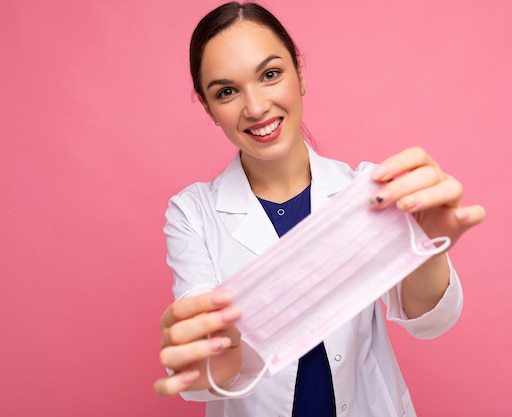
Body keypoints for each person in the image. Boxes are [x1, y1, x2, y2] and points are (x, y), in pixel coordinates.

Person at [154, 2, 485, 416]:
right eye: (227, 91)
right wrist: (200, 350)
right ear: (208, 109)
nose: (255, 108)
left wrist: (426, 248)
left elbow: (429, 321)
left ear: (300, 74)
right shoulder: (193, 214)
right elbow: (210, 361)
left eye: (270, 74)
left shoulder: (366, 190)